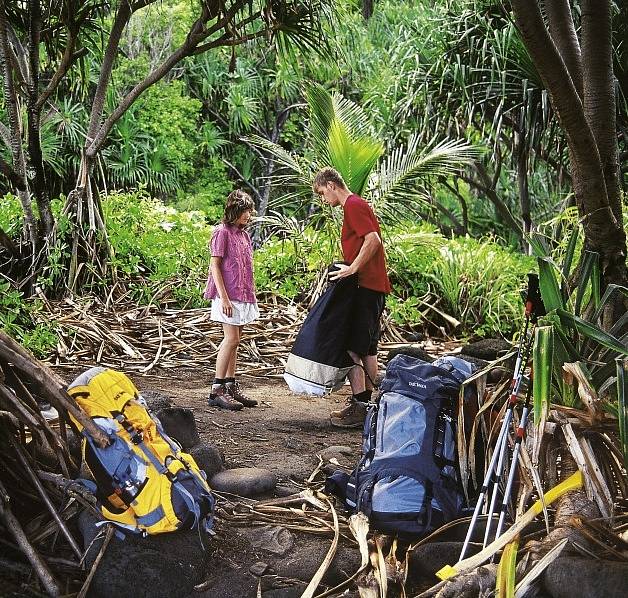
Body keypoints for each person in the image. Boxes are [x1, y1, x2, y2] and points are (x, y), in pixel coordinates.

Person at [312, 167, 391, 427]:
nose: (324, 200)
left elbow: (373, 240)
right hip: (371, 286)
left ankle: (361, 405)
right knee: (367, 347)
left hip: (365, 286)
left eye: (323, 193)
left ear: (332, 185)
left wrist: (353, 268)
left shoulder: (353, 205)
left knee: (350, 345)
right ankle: (367, 405)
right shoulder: (356, 205)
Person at [203, 190, 259, 410]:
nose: (248, 215)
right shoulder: (222, 232)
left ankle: (230, 385)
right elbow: (215, 266)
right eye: (245, 211)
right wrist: (224, 298)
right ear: (234, 210)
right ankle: (216, 390)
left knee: (236, 341)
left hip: (242, 294)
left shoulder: (243, 234)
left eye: (249, 211)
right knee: (231, 340)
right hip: (226, 294)